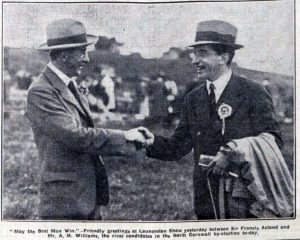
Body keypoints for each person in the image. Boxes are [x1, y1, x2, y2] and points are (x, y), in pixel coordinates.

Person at [140, 20, 284, 219]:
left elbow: (273, 141)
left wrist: (233, 153)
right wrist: (150, 141)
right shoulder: (193, 98)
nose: (194, 60)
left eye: (202, 53)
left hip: (243, 198)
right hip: (205, 197)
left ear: (223, 57)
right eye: (195, 53)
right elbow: (177, 147)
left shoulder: (253, 92)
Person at [26, 19, 146, 220]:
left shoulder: (69, 86)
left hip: (86, 194)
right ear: (64, 55)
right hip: (64, 201)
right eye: (83, 52)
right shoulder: (41, 91)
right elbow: (75, 136)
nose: (87, 59)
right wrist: (125, 136)